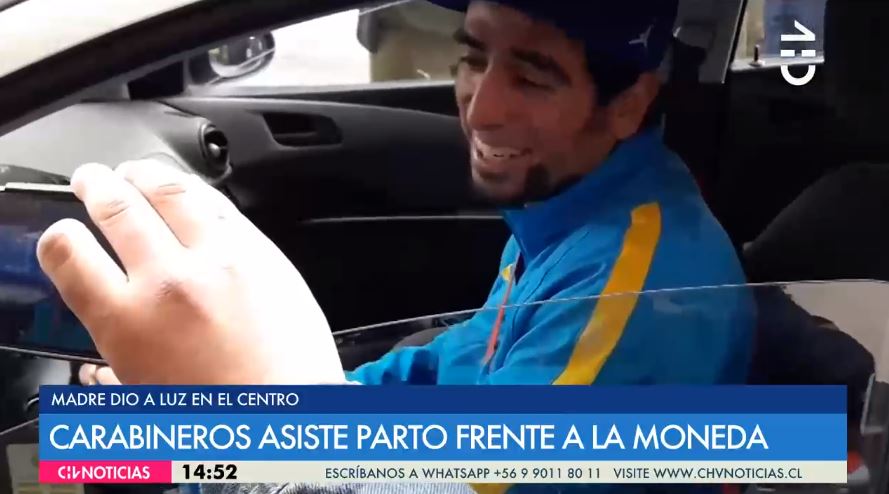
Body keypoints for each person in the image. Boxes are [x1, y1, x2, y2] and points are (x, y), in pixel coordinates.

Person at [62, 0, 754, 389]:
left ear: (628, 104)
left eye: (532, 77)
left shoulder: (641, 293)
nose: (480, 110)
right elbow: (457, 367)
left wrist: (253, 419)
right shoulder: (574, 212)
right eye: (475, 58)